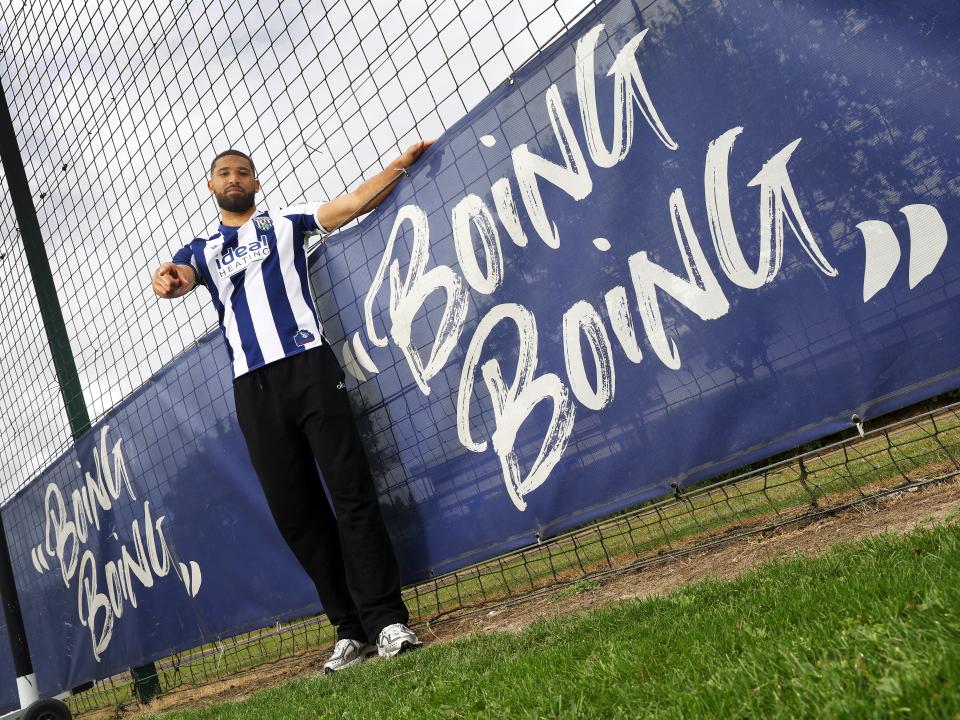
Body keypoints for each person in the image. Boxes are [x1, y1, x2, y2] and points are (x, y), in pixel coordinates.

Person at [151, 140, 434, 673]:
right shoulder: (202, 249)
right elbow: (176, 279)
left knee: (350, 493)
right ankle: (348, 629)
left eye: (243, 172)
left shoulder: (287, 223)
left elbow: (350, 204)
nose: (234, 178)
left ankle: (386, 619)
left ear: (256, 184)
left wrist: (400, 163)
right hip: (253, 390)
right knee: (297, 515)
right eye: (223, 173)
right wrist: (165, 280)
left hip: (309, 367)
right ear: (212, 187)